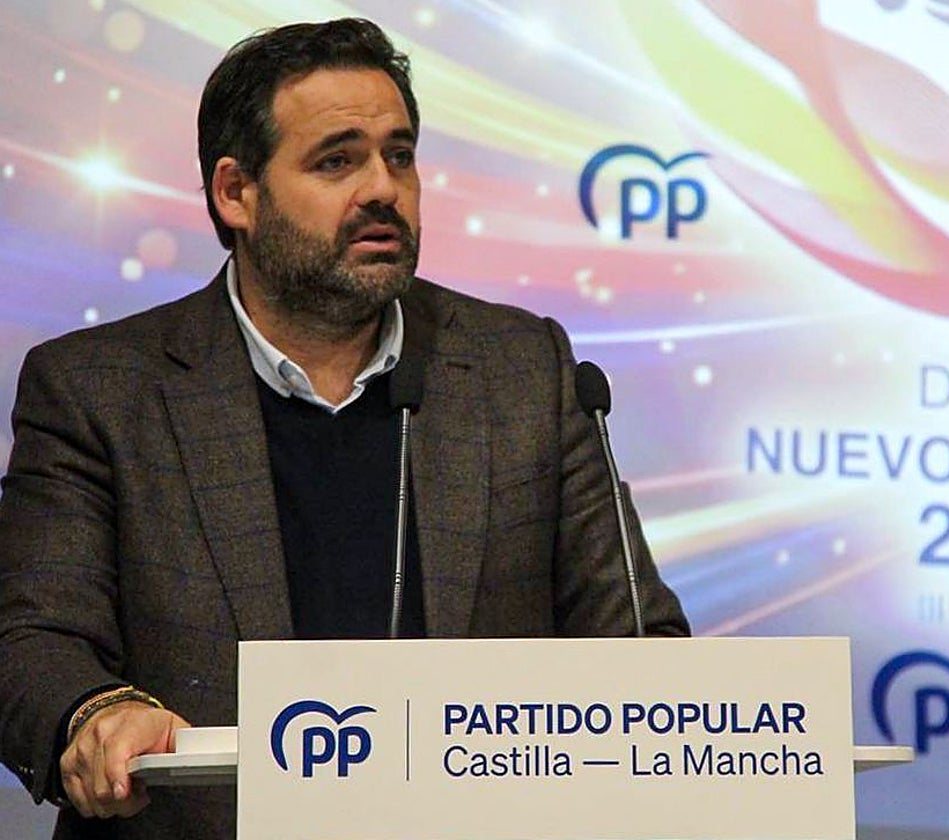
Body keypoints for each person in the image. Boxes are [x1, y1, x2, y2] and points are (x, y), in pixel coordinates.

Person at [0, 18, 689, 839]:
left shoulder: (523, 369)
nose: (382, 189)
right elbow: (33, 639)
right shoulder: (100, 389)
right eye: (337, 161)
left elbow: (636, 640)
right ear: (236, 193)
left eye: (399, 156)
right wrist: (96, 714)